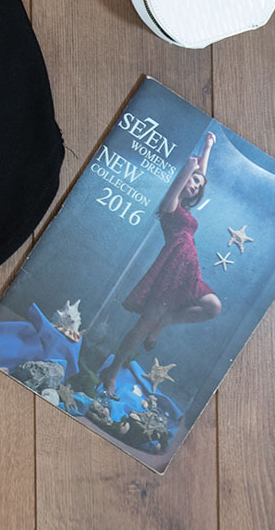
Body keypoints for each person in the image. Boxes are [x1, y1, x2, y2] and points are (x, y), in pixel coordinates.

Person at [99, 129, 222, 397]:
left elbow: (200, 175)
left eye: (199, 186)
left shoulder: (186, 207)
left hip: (190, 273)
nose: (195, 186)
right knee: (140, 329)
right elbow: (188, 176)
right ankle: (112, 371)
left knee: (213, 306)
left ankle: (164, 322)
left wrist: (208, 147)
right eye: (193, 181)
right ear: (184, 179)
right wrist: (190, 167)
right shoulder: (170, 205)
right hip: (170, 272)